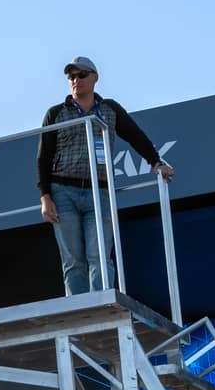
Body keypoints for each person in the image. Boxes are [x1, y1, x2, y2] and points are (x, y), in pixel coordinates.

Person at [36, 56, 174, 297]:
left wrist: (156, 162)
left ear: (95, 77)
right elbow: (43, 157)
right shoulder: (56, 113)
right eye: (71, 77)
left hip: (99, 191)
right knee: (73, 260)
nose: (75, 80)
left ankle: (101, 308)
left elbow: (135, 136)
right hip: (63, 193)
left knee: (99, 255)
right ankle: (79, 313)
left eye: (81, 75)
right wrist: (45, 196)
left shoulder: (110, 110)